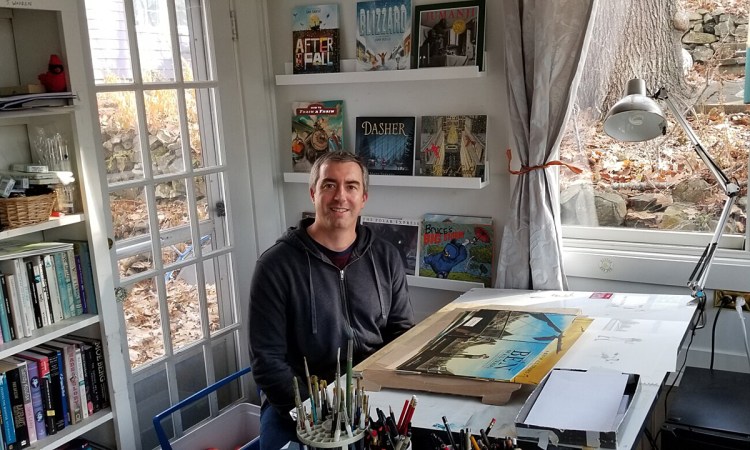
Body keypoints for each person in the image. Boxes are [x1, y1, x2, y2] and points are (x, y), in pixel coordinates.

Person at [249, 151, 415, 449]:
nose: (340, 196)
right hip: (299, 406)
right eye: (329, 185)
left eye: (351, 186)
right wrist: (316, 417)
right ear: (313, 193)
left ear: (364, 197)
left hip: (368, 399)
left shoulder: (386, 256)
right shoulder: (275, 266)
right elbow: (267, 361)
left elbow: (401, 334)